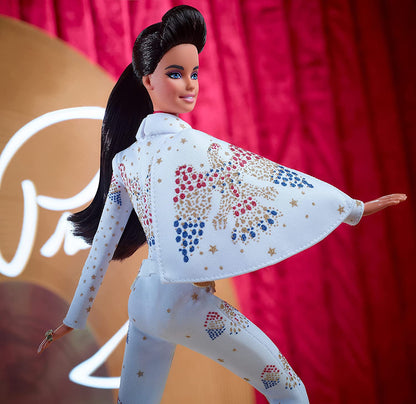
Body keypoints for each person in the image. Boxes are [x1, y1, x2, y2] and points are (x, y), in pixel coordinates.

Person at [37, 5, 406, 404]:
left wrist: (73, 319)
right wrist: (349, 208)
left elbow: (102, 247)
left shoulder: (125, 161)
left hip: (143, 301)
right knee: (290, 390)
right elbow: (269, 180)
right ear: (147, 81)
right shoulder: (191, 144)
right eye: (175, 73)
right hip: (182, 304)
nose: (189, 84)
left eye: (194, 73)